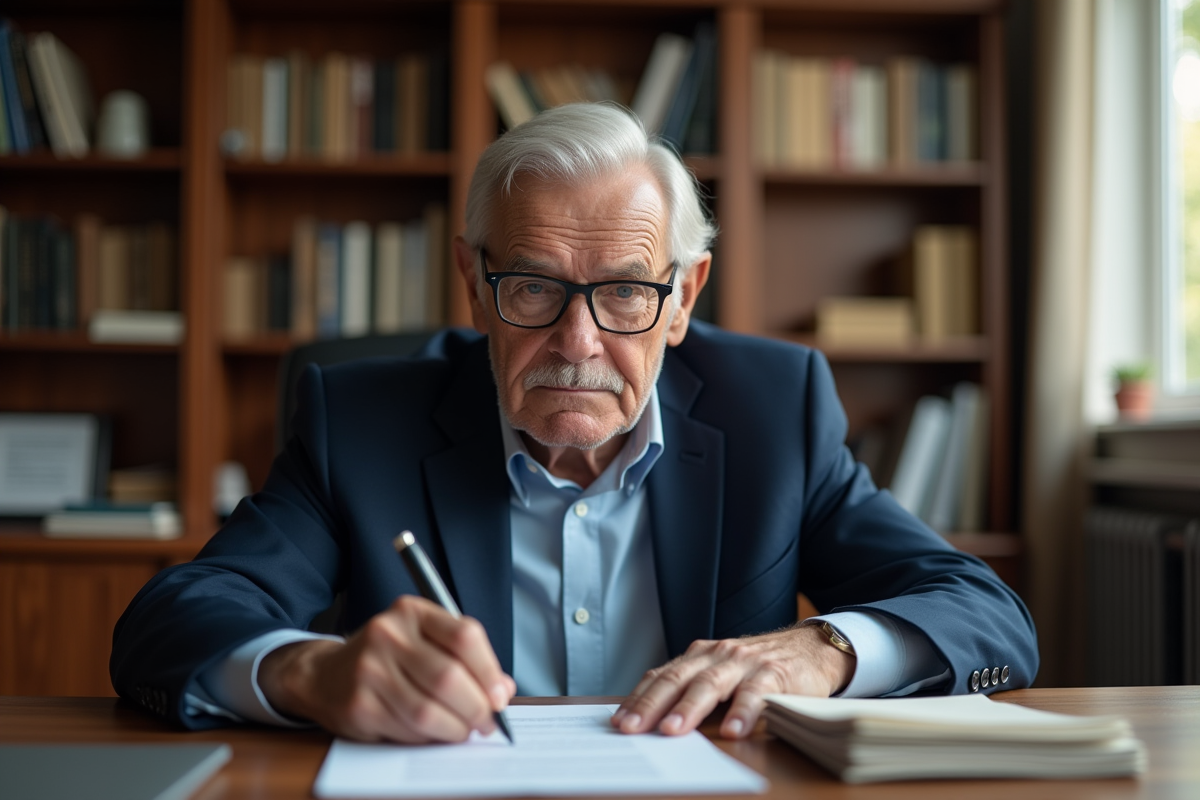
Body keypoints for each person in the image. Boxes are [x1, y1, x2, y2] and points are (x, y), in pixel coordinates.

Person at [111, 103, 1038, 744]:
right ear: (475, 283)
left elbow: (984, 615)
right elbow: (172, 624)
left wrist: (822, 650)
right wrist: (311, 674)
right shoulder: (359, 420)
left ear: (683, 299)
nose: (578, 341)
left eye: (628, 291)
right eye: (534, 288)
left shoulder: (775, 411)